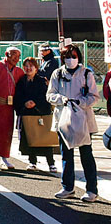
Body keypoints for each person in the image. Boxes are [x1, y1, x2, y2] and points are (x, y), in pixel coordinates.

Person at [47, 43, 99, 202]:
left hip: (83, 120)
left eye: (73, 57)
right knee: (66, 155)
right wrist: (62, 100)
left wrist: (80, 102)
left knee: (86, 155)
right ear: (62, 58)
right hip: (64, 120)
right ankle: (67, 187)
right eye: (67, 57)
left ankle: (91, 190)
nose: (70, 60)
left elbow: (94, 97)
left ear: (79, 58)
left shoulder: (86, 74)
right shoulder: (57, 74)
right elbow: (50, 95)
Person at [13, 56, 57, 173]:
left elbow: (46, 96)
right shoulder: (21, 82)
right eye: (26, 66)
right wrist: (24, 104)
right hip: (26, 113)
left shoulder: (43, 81)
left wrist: (36, 103)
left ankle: (51, 163)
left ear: (36, 68)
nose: (28, 68)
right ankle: (32, 161)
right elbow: (17, 97)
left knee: (45, 138)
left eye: (31, 66)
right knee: (30, 138)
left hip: (41, 113)